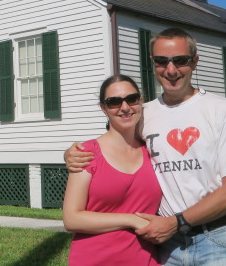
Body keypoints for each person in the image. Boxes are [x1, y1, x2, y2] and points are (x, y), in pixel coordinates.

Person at [64, 28, 226, 265]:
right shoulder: (143, 114)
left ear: (195, 61)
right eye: (162, 61)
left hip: (216, 238)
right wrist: (71, 153)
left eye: (180, 60)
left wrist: (177, 222)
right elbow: (115, 140)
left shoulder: (222, 110)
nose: (171, 70)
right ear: (153, 63)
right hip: (166, 245)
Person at [63, 74, 162, 266]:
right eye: (114, 102)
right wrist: (131, 220)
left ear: (140, 101)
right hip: (94, 260)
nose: (125, 108)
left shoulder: (153, 151)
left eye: (131, 99)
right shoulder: (87, 153)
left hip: (145, 260)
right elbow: (71, 218)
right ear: (104, 108)